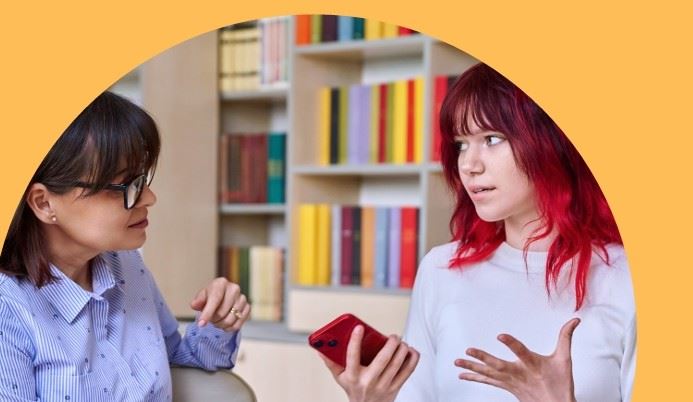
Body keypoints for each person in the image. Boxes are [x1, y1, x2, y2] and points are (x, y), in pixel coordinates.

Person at [319, 63, 636, 402]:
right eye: (461, 144)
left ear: (553, 141)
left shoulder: (626, 277)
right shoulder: (441, 270)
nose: (469, 164)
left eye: (491, 139)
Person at [0, 92, 250, 401]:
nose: (148, 198)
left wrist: (217, 321)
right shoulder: (8, 308)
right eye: (126, 186)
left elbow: (185, 364)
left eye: (142, 180)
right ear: (43, 202)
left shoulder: (126, 264)